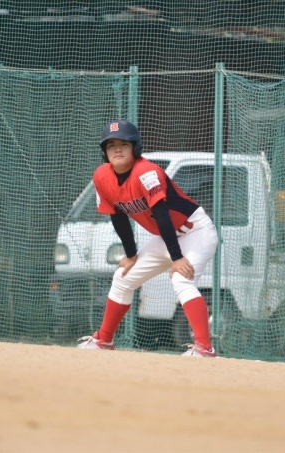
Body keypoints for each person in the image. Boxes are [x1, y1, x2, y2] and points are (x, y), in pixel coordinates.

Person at [77, 120, 219, 357]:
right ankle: (104, 340)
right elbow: (117, 216)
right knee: (122, 277)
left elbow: (162, 215)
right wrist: (131, 255)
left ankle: (205, 348)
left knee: (181, 279)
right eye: (111, 145)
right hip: (167, 238)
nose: (117, 149)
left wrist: (177, 258)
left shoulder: (147, 172)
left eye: (124, 143)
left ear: (135, 147)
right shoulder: (102, 176)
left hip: (196, 232)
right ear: (104, 151)